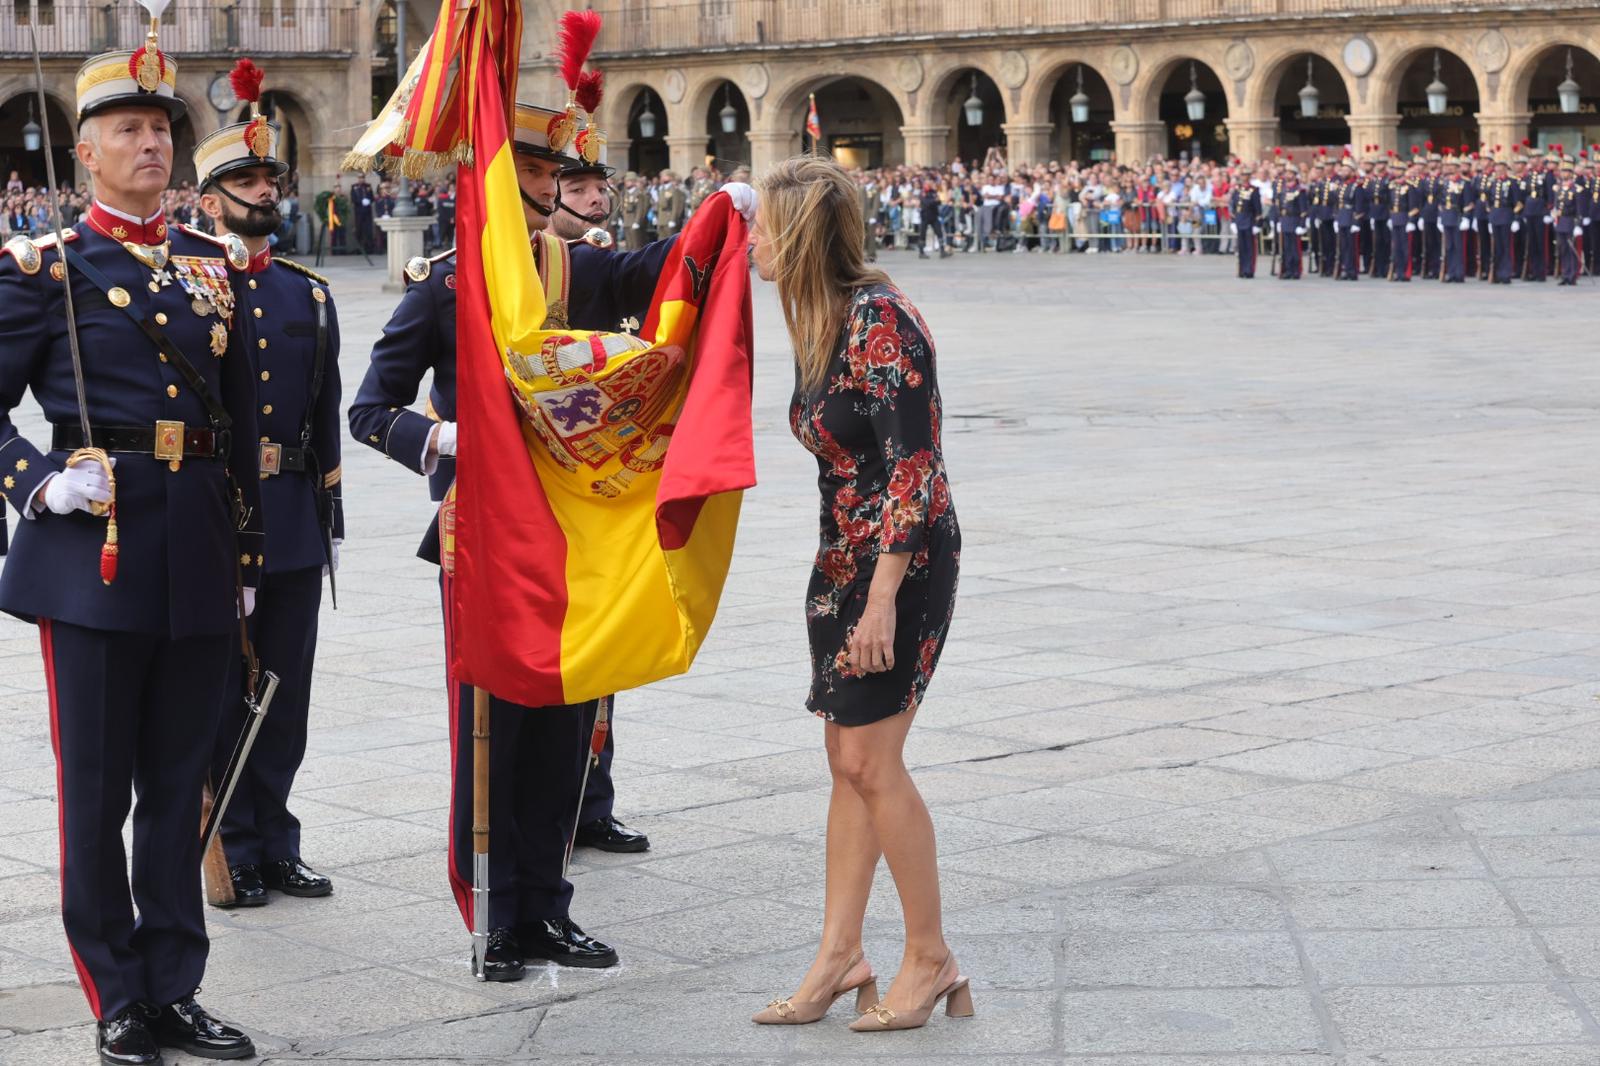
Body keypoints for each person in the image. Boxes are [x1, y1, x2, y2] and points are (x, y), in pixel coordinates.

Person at [0, 28, 263, 1065]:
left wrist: (244, 561)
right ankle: (114, 989)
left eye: (161, 127)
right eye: (128, 129)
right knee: (97, 787)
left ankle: (175, 984)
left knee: (180, 779)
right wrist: (38, 479)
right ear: (88, 148)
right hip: (94, 552)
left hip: (194, 551)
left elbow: (240, 426)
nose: (152, 144)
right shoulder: (43, 268)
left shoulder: (212, 266)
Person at [350, 98, 624, 982]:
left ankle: (549, 905)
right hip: (481, 536)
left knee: (565, 716)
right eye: (535, 174)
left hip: (574, 527)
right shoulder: (446, 282)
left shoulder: (581, 274)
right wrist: (439, 438)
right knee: (492, 725)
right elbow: (369, 409)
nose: (549, 190)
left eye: (555, 175)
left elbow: (663, 285)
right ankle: (497, 911)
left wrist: (726, 219)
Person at [748, 155, 968, 1033]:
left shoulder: (885, 324)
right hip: (842, 563)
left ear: (798, 235)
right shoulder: (821, 319)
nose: (752, 240)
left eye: (763, 225)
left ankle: (930, 954)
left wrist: (881, 601)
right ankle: (842, 955)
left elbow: (914, 472)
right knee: (845, 763)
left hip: (898, 568)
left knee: (874, 763)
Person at [193, 60, 345, 909]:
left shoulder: (309, 296)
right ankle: (231, 844)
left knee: (285, 688)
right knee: (224, 691)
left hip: (290, 516)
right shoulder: (192, 291)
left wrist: (328, 513)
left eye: (268, 178)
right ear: (210, 199)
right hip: (217, 518)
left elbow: (323, 414)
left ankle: (277, 837)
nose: (263, 192)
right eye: (244, 180)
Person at [1553, 157, 1587, 286]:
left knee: (1571, 249)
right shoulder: (1559, 189)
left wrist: (1578, 225)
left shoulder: (1576, 189)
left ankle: (1572, 275)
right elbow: (1557, 205)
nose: (1564, 174)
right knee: (1562, 249)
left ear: (1571, 173)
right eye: (1562, 171)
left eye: (1566, 171)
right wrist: (1554, 216)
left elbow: (1579, 209)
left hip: (1570, 222)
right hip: (1560, 222)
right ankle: (1565, 274)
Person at [1274, 166, 1306, 280]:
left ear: (1294, 175)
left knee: (1295, 248)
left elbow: (1303, 210)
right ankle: (1287, 269)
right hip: (1284, 220)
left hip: (1294, 221)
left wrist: (1302, 225)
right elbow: (1279, 206)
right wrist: (1278, 221)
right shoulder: (1282, 190)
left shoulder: (1299, 190)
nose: (1288, 175)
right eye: (1286, 173)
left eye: (1290, 173)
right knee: (1286, 248)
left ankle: (1295, 270)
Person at [1227, 168, 1260, 278]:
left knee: (1250, 248)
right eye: (1242, 175)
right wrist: (1233, 221)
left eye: (1246, 175)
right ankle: (1242, 270)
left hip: (1249, 220)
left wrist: (1257, 224)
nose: (1244, 177)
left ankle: (1249, 270)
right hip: (1239, 220)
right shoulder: (1237, 189)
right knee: (1241, 248)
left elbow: (1258, 209)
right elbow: (1233, 206)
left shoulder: (1254, 190)